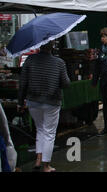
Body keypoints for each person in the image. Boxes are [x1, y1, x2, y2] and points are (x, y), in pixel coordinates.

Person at [17, 41, 70, 172]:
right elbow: (66, 84)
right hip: (51, 102)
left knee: (40, 130)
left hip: (33, 101)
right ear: (52, 47)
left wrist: (20, 102)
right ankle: (46, 165)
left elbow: (22, 83)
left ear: (40, 46)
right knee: (49, 133)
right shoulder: (59, 62)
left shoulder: (30, 60)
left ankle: (38, 160)